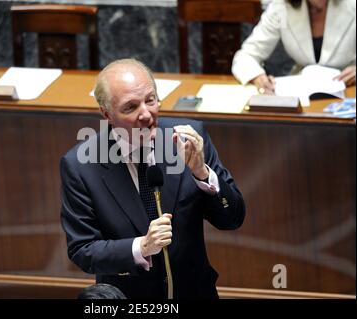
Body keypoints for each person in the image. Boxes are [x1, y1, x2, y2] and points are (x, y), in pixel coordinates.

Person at [60, 59, 245, 299]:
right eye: (130, 107)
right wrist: (141, 246)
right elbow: (82, 250)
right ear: (107, 114)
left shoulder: (189, 137)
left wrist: (202, 173)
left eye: (150, 100)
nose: (146, 114)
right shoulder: (80, 165)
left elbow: (232, 219)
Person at [232, 0, 356, 94]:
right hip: (302, 93)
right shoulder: (281, 9)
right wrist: (257, 76)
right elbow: (246, 55)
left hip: (350, 89)